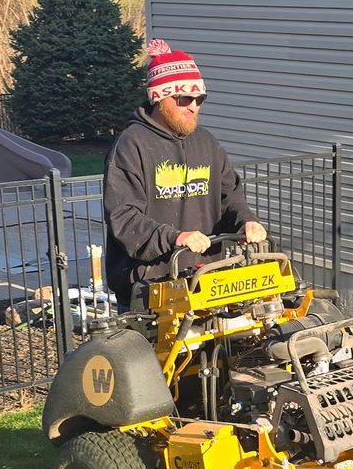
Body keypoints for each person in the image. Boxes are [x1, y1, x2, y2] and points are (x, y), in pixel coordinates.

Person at [102, 39, 266, 306]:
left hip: (208, 277)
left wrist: (246, 220)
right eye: (184, 98)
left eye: (199, 98)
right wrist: (175, 237)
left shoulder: (206, 142)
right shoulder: (131, 145)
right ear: (159, 97)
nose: (194, 106)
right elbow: (124, 217)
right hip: (152, 285)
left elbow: (230, 196)